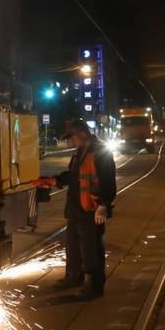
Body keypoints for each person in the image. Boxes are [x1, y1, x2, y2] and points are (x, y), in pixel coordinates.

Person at [51, 119, 116, 299]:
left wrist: (104, 205)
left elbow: (108, 181)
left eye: (72, 137)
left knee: (91, 248)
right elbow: (74, 176)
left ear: (82, 135)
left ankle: (93, 285)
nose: (71, 141)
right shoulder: (80, 151)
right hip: (76, 208)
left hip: (92, 209)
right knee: (72, 244)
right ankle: (74, 276)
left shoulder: (100, 151)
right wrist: (55, 180)